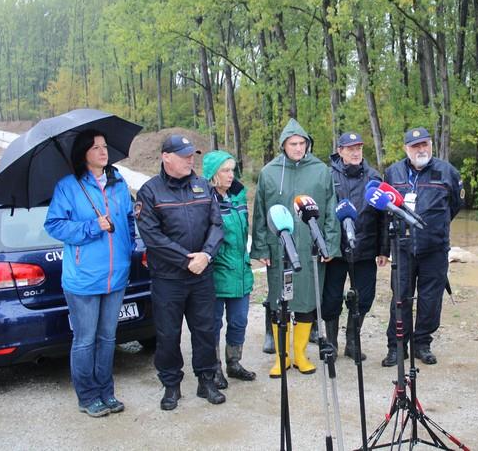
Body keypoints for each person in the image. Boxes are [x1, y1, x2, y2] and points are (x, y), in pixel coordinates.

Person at [44, 129, 135, 417]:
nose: (103, 152)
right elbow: (55, 225)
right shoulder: (68, 187)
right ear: (84, 154)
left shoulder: (118, 183)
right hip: (83, 278)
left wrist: (129, 246)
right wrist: (92, 226)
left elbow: (129, 220)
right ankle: (87, 396)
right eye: (96, 148)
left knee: (108, 337)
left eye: (105, 146)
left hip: (116, 275)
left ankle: (106, 392)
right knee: (85, 339)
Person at [135, 134, 225, 410]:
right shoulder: (149, 192)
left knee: (205, 331)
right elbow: (152, 237)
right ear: (166, 157)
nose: (190, 159)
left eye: (192, 155)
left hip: (201, 276)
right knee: (168, 334)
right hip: (169, 279)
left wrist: (206, 255)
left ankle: (206, 380)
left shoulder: (202, 186)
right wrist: (186, 261)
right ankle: (171, 385)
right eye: (184, 155)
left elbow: (217, 225)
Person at [251, 118, 341, 377]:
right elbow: (259, 213)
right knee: (280, 301)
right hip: (279, 250)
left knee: (306, 301)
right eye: (293, 143)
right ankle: (282, 357)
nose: (299, 148)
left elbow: (331, 212)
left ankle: (300, 354)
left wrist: (329, 246)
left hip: (310, 250)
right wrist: (261, 249)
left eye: (302, 143)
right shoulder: (269, 172)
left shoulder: (321, 171)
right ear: (283, 145)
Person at [381, 127, 463, 367]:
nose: (421, 149)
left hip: (435, 249)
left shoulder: (447, 172)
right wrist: (384, 249)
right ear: (406, 149)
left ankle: (422, 343)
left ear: (431, 145)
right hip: (403, 248)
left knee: (430, 299)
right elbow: (385, 212)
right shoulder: (392, 173)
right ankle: (397, 347)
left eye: (424, 144)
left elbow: (456, 205)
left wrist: (434, 227)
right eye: (415, 146)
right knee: (401, 297)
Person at [321, 132, 389, 361]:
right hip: (336, 251)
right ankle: (331, 344)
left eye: (358, 147)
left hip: (366, 249)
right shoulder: (327, 176)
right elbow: (320, 214)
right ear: (339, 151)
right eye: (350, 148)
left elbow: (383, 217)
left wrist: (383, 249)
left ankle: (353, 341)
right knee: (331, 299)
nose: (355, 152)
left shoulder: (373, 177)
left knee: (364, 297)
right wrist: (322, 246)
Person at [202, 150, 256, 389]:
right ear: (213, 174)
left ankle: (234, 362)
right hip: (216, 272)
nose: (230, 175)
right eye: (225, 170)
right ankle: (214, 368)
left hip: (241, 271)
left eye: (232, 170)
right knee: (213, 324)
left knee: (239, 321)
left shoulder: (238, 196)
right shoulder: (204, 199)